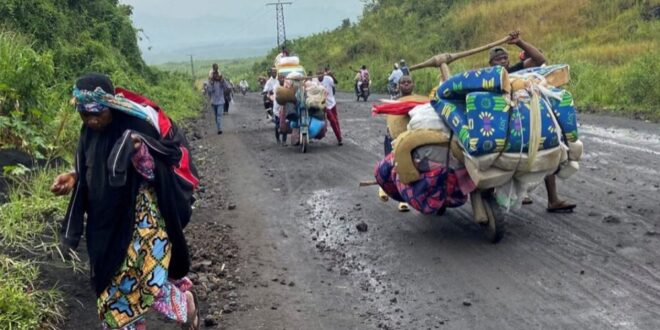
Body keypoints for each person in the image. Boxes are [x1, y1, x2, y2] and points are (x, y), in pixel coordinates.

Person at [51, 73, 200, 330]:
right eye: (85, 115)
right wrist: (74, 177)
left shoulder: (136, 126)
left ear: (111, 105)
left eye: (98, 113)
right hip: (104, 226)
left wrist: (139, 151)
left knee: (145, 284)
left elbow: (159, 171)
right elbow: (91, 169)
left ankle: (185, 306)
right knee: (113, 296)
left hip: (140, 225)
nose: (92, 120)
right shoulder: (88, 132)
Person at [488, 31, 575, 213]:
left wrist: (520, 42)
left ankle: (553, 200)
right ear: (490, 64)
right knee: (497, 161)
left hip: (524, 121)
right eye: (498, 60)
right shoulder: (487, 79)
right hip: (502, 126)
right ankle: (498, 198)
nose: (503, 62)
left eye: (505, 58)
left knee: (546, 149)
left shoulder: (516, 72)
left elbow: (539, 59)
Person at [377, 74, 425, 212]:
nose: (406, 84)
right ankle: (402, 200)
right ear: (398, 86)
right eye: (403, 82)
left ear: (413, 84)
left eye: (409, 82)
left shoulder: (419, 100)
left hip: (415, 136)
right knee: (396, 165)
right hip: (397, 139)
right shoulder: (393, 102)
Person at [318, 68, 343, 146]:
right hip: (324, 105)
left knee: (336, 120)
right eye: (318, 74)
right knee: (332, 121)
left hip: (332, 102)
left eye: (321, 74)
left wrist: (331, 75)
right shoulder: (315, 81)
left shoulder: (328, 79)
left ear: (323, 74)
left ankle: (339, 137)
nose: (319, 76)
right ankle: (339, 137)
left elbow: (336, 82)